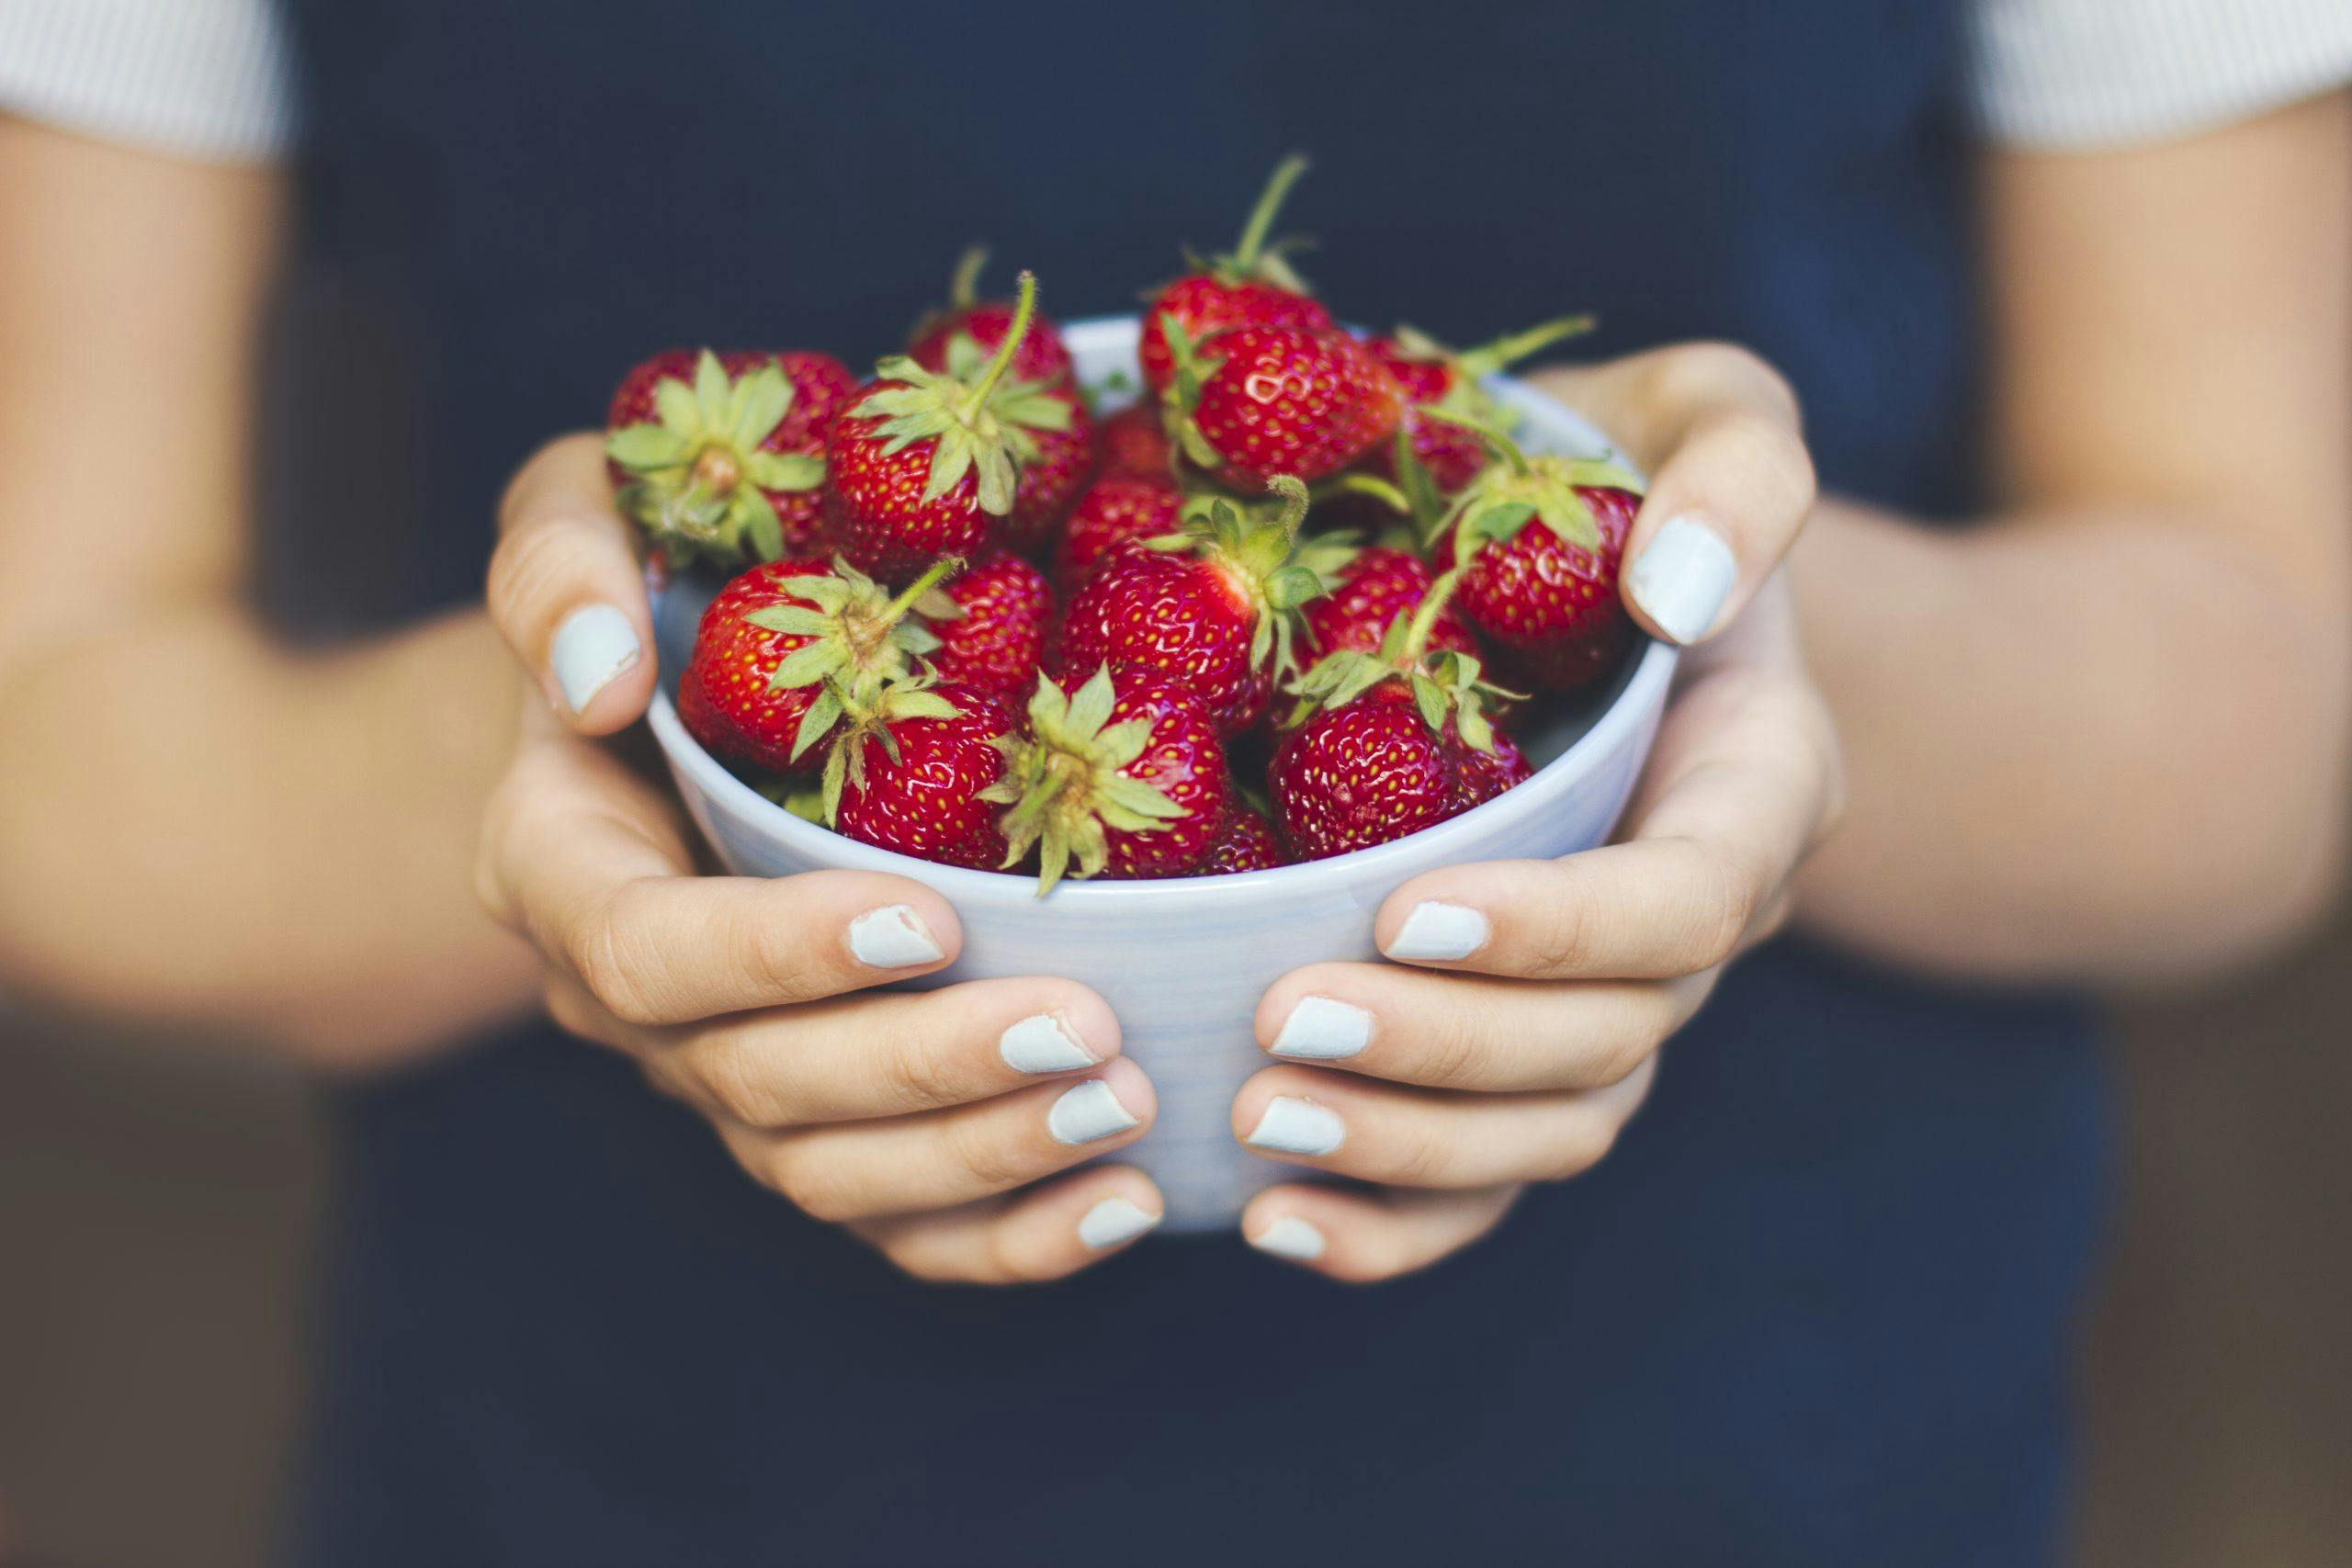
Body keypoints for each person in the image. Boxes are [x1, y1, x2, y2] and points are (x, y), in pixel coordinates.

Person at [0, 0, 2346, 1562]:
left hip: (1761, 1454)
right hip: (636, 1471)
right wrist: (593, 758)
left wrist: (1716, 649)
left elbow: (2263, 704)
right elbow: (59, 738)